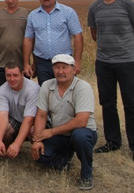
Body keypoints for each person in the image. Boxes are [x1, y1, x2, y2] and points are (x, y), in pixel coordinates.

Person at [88, 0, 134, 162]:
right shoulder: (95, 7)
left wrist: (130, 50)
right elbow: (94, 34)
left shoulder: (127, 4)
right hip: (104, 62)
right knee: (107, 103)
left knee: (131, 104)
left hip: (127, 62)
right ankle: (113, 141)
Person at [31, 54, 97, 190]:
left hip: (83, 133)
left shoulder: (83, 87)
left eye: (65, 67)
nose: (60, 71)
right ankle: (66, 158)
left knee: (80, 136)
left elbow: (81, 121)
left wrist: (51, 131)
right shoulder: (46, 86)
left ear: (74, 70)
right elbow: (41, 115)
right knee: (42, 157)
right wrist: (37, 139)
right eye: (56, 67)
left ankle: (86, 174)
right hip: (60, 136)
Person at [23, 0, 83, 86]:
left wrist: (77, 62)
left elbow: (78, 36)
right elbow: (28, 40)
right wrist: (26, 64)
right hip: (42, 63)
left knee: (66, 92)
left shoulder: (68, 12)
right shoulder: (33, 16)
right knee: (46, 93)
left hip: (64, 62)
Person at [0, 62, 40, 158]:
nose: (12, 79)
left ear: (22, 74)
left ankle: (38, 154)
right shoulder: (1, 90)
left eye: (15, 75)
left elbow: (29, 120)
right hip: (16, 119)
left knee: (34, 132)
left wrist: (17, 144)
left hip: (32, 121)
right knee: (4, 128)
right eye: (8, 75)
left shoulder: (32, 89)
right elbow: (2, 116)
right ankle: (5, 150)